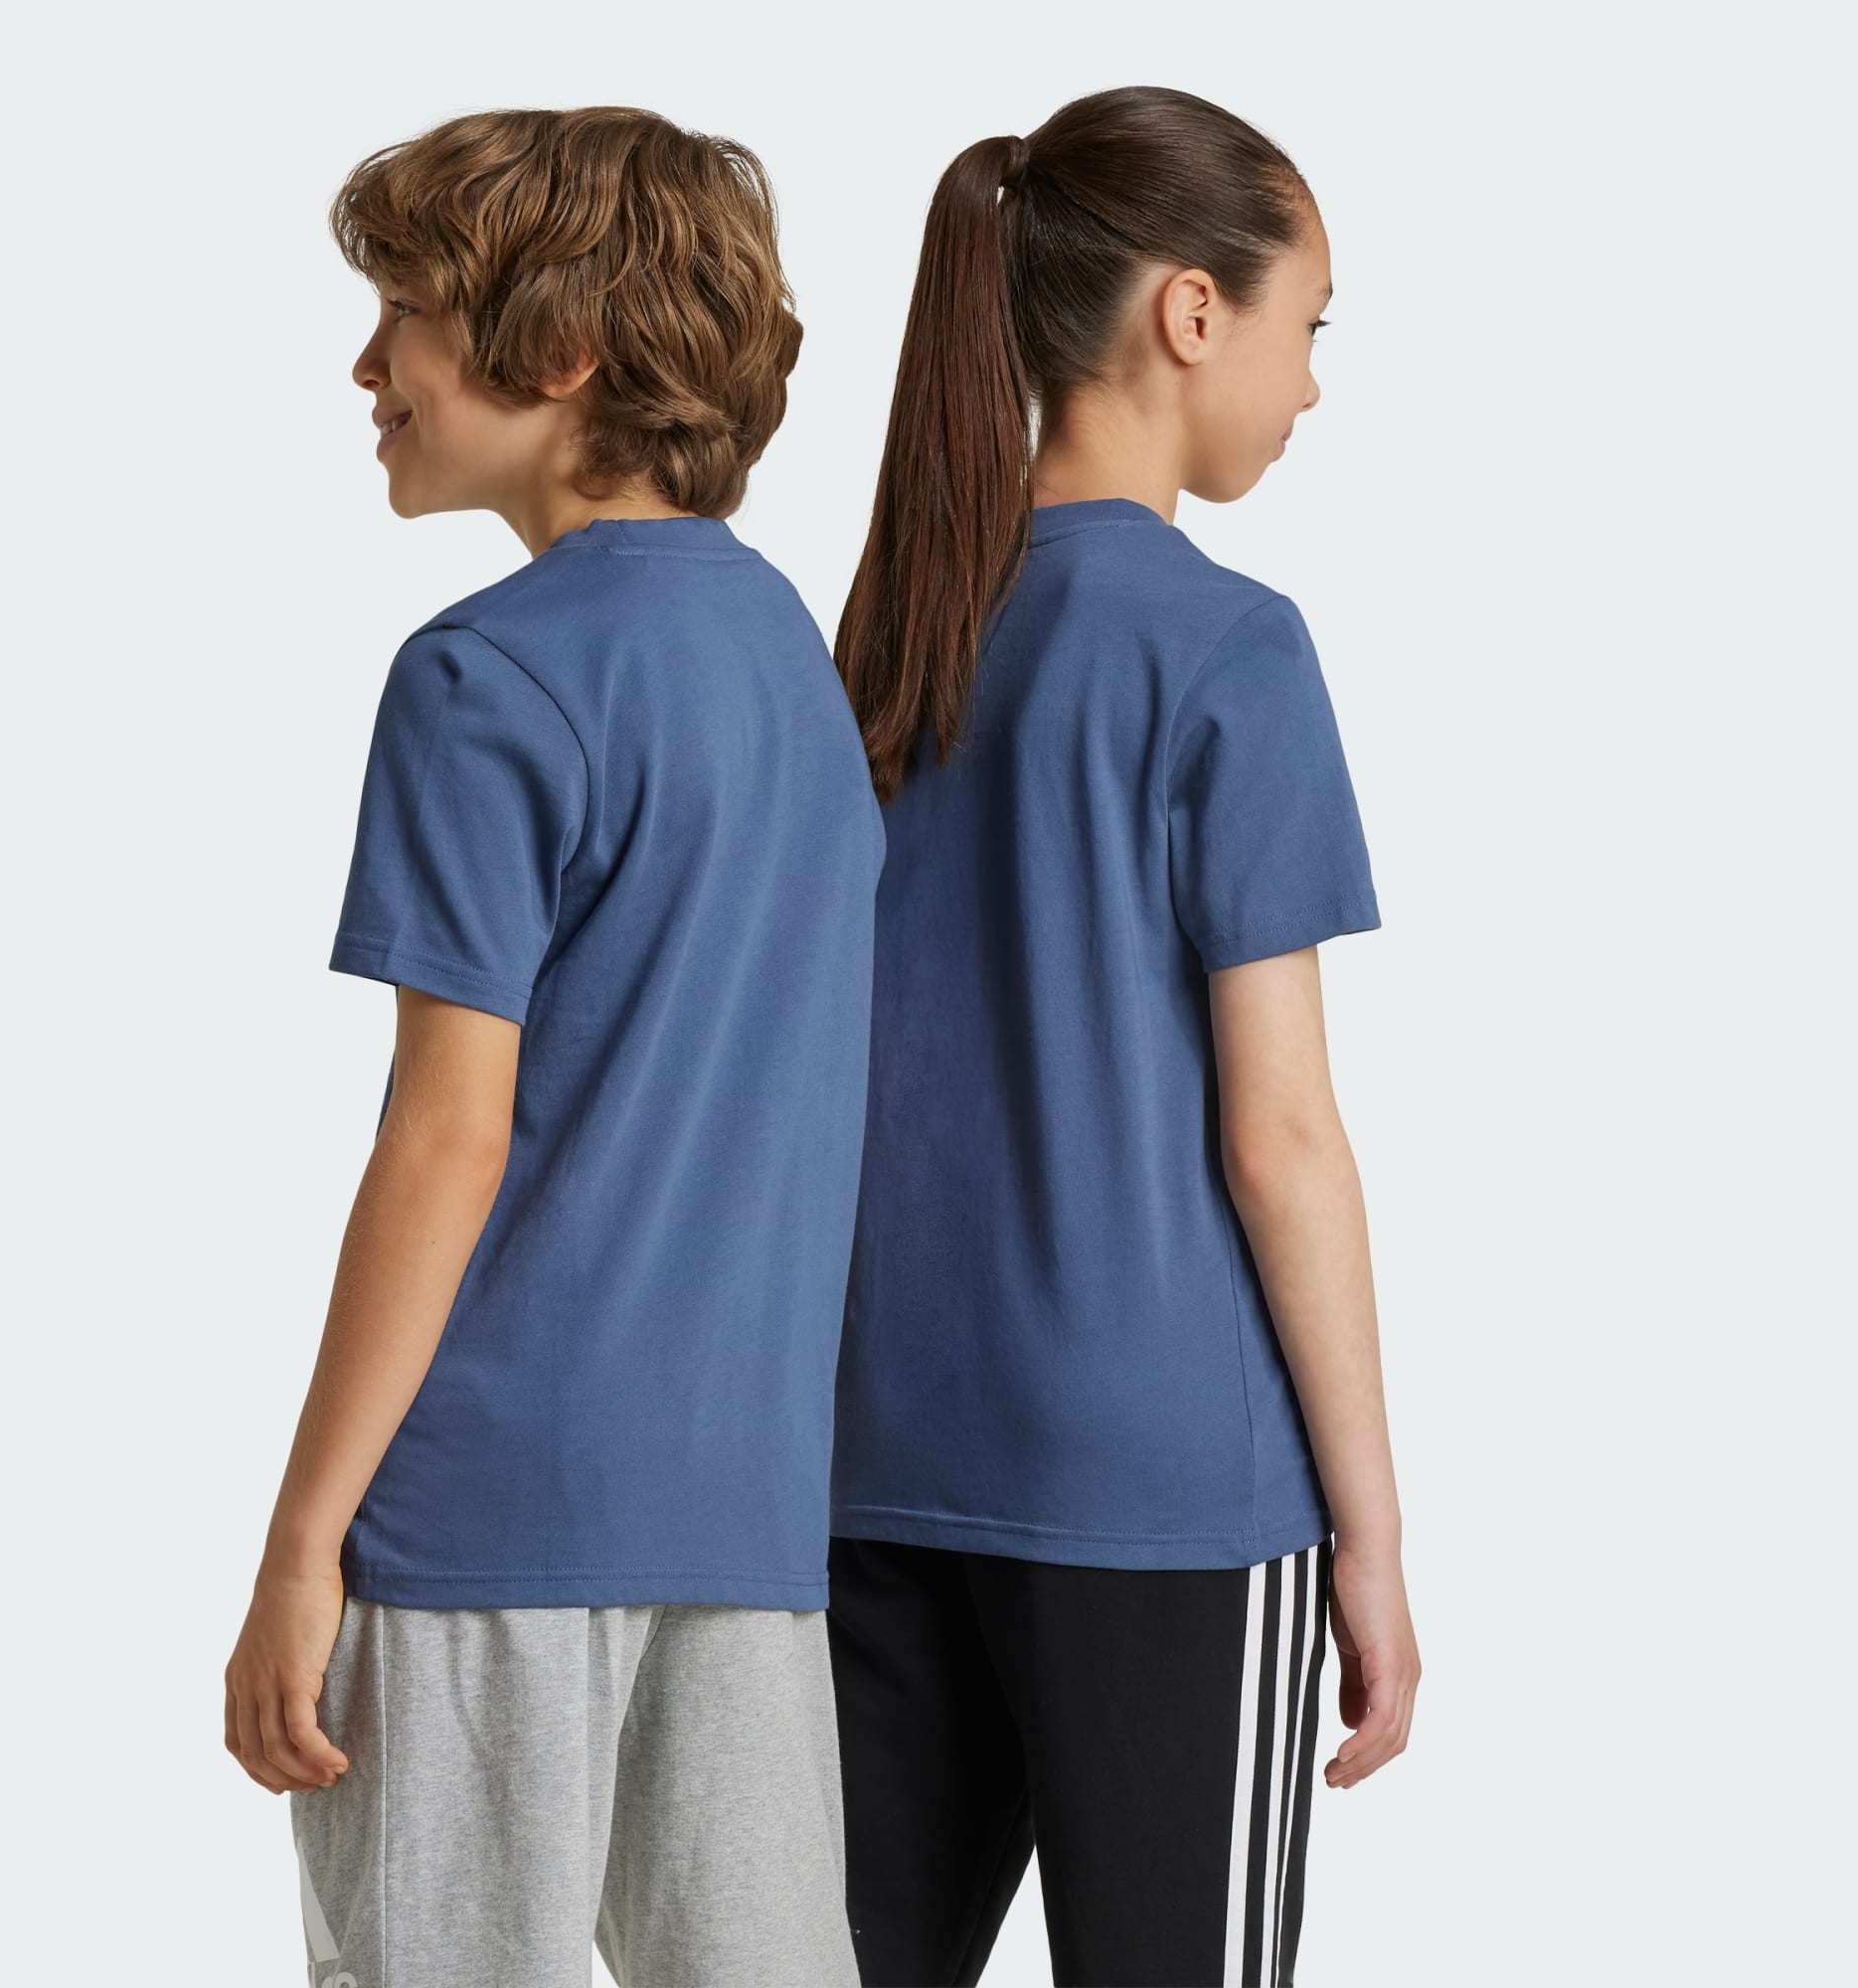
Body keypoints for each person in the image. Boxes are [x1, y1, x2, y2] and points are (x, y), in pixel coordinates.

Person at [222, 107, 879, 1988]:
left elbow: (450, 1141)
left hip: (493, 1513)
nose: (370, 366)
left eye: (406, 313)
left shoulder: (485, 676)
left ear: (565, 349)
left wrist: (302, 1544)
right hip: (750, 1522)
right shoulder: (793, 666)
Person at [827, 85, 1421, 1987]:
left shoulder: (886, 635)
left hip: (867, 1458)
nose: (1311, 386)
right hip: (1155, 1495)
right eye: (1306, 326)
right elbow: (1281, 1136)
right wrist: (1371, 1537)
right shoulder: (1228, 647)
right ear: (1190, 312)